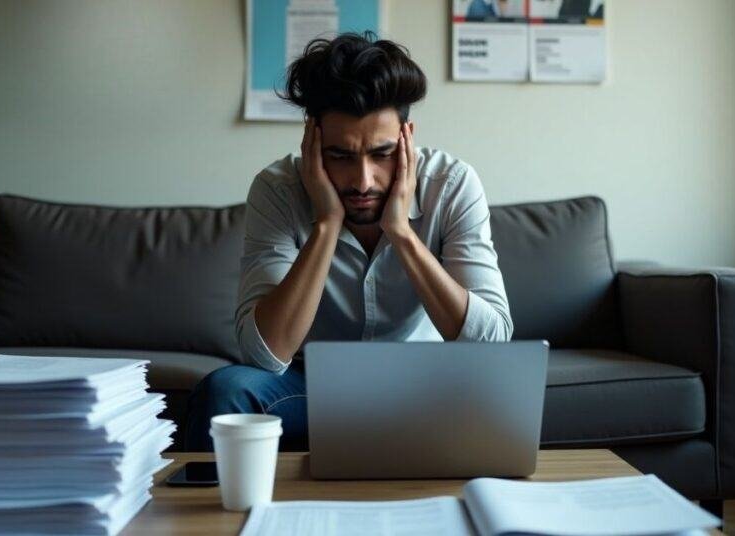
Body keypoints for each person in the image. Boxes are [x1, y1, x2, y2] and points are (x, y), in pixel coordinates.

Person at [185, 31, 513, 451]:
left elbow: (493, 345)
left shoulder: (451, 184)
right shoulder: (278, 189)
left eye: (382, 154)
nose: (363, 181)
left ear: (408, 136)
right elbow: (264, 356)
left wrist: (403, 234)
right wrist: (325, 224)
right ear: (312, 140)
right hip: (313, 389)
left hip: (426, 387)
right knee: (226, 392)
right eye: (340, 156)